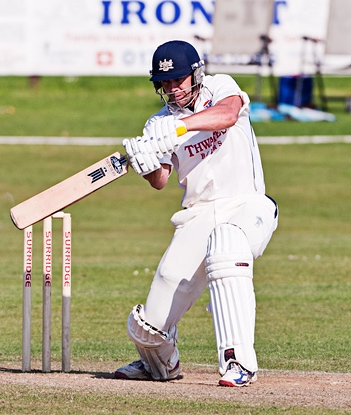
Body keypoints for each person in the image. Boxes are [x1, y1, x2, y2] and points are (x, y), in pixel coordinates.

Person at [116, 40, 278, 387]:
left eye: (179, 80)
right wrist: (144, 161)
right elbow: (160, 180)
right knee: (149, 327)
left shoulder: (220, 87)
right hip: (197, 215)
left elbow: (228, 115)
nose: (173, 89)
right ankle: (159, 364)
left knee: (227, 245)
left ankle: (238, 362)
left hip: (246, 204)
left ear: (196, 74)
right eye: (165, 83)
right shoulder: (156, 122)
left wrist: (178, 128)